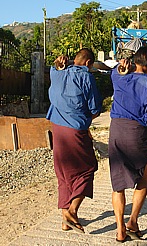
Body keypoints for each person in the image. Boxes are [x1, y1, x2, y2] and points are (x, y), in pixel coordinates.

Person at [46, 48, 102, 233]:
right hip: (75, 128)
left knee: (63, 174)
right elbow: (95, 108)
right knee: (87, 169)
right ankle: (71, 211)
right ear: (88, 63)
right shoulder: (86, 77)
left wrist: (61, 64)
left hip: (57, 129)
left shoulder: (56, 73)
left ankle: (65, 222)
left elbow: (55, 67)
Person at [109, 46, 147, 242]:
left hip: (116, 130)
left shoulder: (120, 77)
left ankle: (119, 229)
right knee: (142, 179)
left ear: (134, 61)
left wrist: (120, 68)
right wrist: (146, 132)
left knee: (118, 183)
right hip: (137, 130)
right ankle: (132, 221)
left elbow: (114, 73)